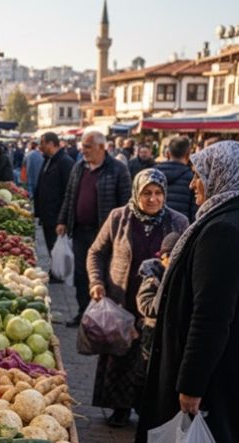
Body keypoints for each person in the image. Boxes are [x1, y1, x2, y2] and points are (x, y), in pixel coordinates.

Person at [137, 141, 239, 443]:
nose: (194, 183)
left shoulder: (223, 230)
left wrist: (191, 385)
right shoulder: (223, 219)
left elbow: (211, 316)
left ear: (221, 174)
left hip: (209, 378)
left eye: (199, 175)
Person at [86, 169, 189, 428]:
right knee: (120, 357)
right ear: (136, 192)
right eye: (146, 193)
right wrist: (97, 283)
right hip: (122, 302)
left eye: (158, 193)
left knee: (151, 361)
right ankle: (119, 409)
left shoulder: (179, 222)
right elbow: (96, 252)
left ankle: (146, 409)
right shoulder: (118, 217)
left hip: (157, 305)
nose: (153, 199)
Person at [57, 131, 132, 327]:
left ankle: (101, 317)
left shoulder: (118, 169)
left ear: (101, 147)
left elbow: (126, 204)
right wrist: (63, 220)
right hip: (81, 231)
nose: (83, 150)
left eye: (88, 147)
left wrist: (122, 234)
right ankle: (83, 313)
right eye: (83, 146)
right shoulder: (79, 167)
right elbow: (70, 195)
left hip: (105, 234)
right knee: (81, 275)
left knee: (102, 275)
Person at [136, 231, 181, 361]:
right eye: (171, 257)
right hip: (152, 338)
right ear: (162, 258)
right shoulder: (153, 276)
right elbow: (146, 305)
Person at [35, 132, 75, 255]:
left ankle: (59, 274)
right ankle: (54, 273)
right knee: (52, 252)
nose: (40, 146)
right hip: (47, 217)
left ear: (51, 143)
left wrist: (63, 220)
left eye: (43, 143)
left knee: (59, 254)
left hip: (56, 219)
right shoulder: (48, 160)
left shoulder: (65, 162)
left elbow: (69, 193)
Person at [156, 136, 196, 222]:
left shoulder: (153, 173)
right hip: (181, 227)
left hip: (155, 225)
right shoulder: (192, 178)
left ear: (168, 153)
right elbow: (194, 211)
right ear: (188, 154)